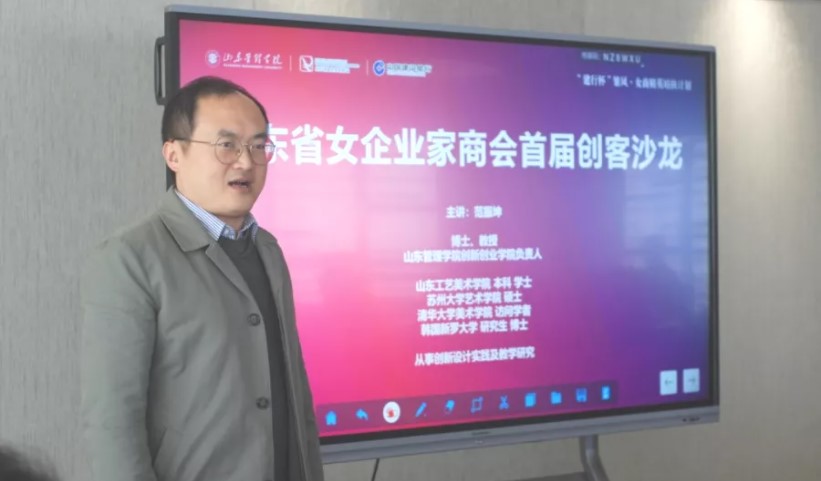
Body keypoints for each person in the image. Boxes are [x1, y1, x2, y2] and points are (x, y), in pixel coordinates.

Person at [80, 76, 324, 481]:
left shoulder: (269, 250)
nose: (245, 162)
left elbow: (296, 396)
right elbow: (112, 425)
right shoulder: (129, 259)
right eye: (226, 145)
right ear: (174, 154)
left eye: (258, 146)